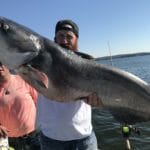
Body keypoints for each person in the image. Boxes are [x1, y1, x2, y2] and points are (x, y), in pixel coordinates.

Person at [37, 19, 101, 150]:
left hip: (84, 139)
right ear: (54, 39)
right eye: (60, 36)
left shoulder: (89, 65)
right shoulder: (39, 62)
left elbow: (99, 96)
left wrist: (98, 102)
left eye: (69, 37)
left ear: (77, 39)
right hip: (51, 139)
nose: (64, 40)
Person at [0, 63, 41, 150]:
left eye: (1, 64)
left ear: (7, 65)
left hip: (34, 136)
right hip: (12, 141)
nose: (0, 67)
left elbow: (39, 104)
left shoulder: (23, 80)